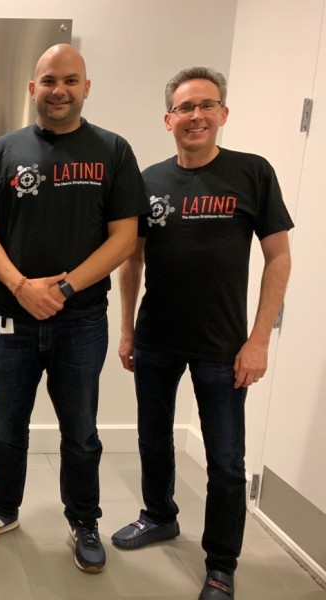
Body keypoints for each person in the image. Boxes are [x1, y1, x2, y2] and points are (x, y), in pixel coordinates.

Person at [0, 43, 147, 573]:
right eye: (48, 81)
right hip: (10, 318)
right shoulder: (4, 150)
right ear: (32, 88)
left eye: (69, 80)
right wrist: (21, 286)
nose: (59, 90)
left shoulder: (113, 150)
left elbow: (124, 238)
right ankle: (1, 508)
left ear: (86, 87)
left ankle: (83, 520)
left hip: (81, 322)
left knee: (80, 431)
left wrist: (61, 289)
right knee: (5, 425)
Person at [111, 67, 293, 599]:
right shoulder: (148, 181)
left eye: (206, 105)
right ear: (168, 119)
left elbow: (279, 258)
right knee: (152, 438)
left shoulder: (252, 173)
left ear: (223, 114)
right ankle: (159, 515)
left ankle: (221, 563)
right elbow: (132, 261)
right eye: (185, 108)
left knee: (226, 461)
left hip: (223, 346)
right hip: (156, 338)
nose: (196, 116)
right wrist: (127, 330)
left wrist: (258, 340)